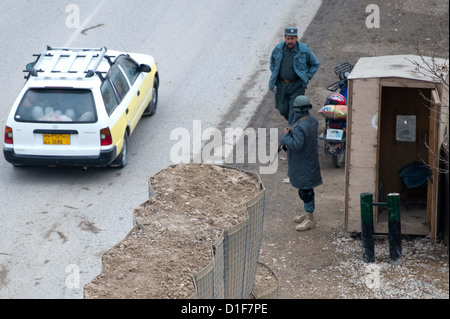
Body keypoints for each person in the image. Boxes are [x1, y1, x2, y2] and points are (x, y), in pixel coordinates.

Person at [280, 95, 322, 231]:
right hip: (310, 160)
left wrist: (285, 136)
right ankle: (307, 213)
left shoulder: (299, 126)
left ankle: (310, 218)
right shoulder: (312, 120)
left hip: (302, 163)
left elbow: (297, 145)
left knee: (305, 191)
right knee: (306, 188)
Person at [269, 27, 320, 123]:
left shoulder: (304, 50)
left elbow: (315, 64)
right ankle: (296, 124)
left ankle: (293, 131)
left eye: (292, 39)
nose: (290, 41)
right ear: (284, 38)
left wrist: (308, 76)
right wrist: (274, 72)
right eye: (288, 38)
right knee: (282, 109)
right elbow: (272, 61)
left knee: (293, 110)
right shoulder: (278, 49)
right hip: (281, 85)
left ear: (297, 38)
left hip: (297, 86)